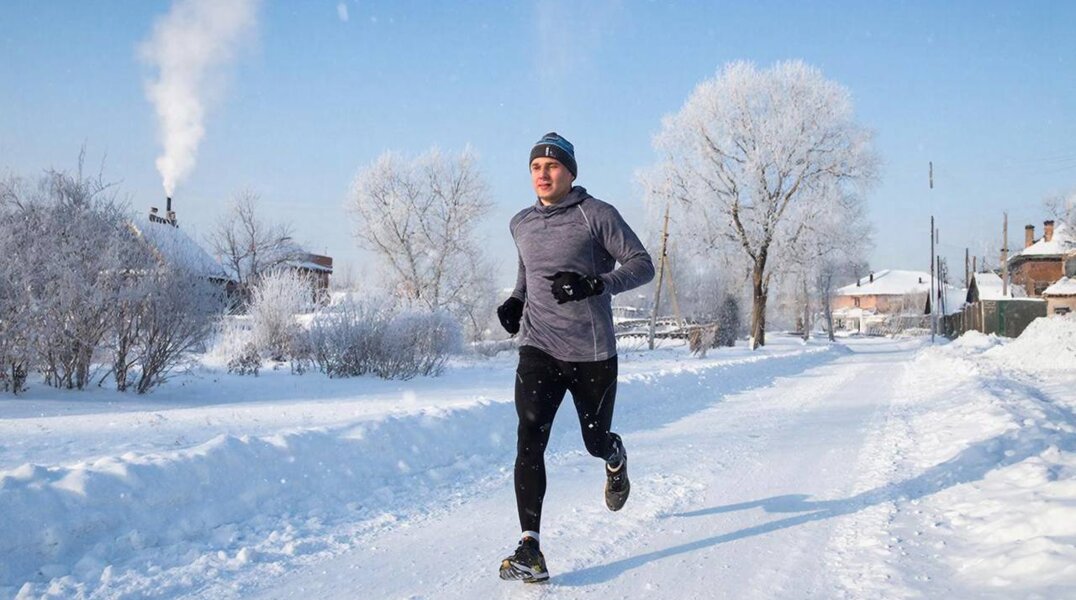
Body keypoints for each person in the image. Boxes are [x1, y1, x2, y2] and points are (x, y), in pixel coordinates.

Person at [496, 132, 655, 583]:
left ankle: (614, 456)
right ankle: (531, 548)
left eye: (552, 167)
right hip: (538, 347)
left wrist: (594, 284)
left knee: (593, 440)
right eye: (535, 167)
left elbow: (642, 263)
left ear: (570, 172)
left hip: (591, 352)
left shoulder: (597, 215)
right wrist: (515, 302)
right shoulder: (520, 223)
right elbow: (528, 276)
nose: (543, 175)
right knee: (530, 438)